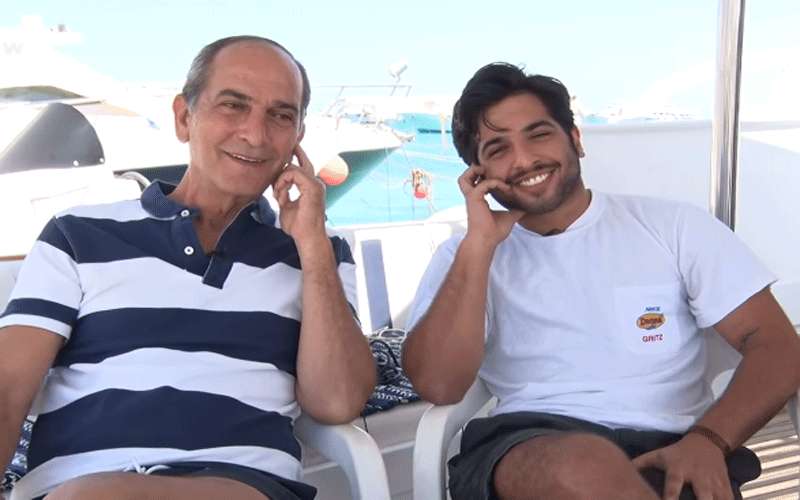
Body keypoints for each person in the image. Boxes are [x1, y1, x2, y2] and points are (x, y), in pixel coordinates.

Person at [0, 36, 376, 500]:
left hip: (238, 483)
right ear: (184, 118)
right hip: (74, 485)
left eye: (281, 116)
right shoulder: (77, 236)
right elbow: (7, 389)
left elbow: (338, 400)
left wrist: (313, 247)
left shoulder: (317, 253)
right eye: (233, 105)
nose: (256, 134)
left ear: (297, 137)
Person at [402, 62, 800, 500]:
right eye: (498, 149)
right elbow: (438, 385)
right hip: (529, 445)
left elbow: (777, 344)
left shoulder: (674, 227)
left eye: (539, 134)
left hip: (674, 446)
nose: (524, 159)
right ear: (476, 174)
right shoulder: (462, 258)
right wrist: (479, 247)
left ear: (575, 139)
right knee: (583, 466)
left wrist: (708, 440)